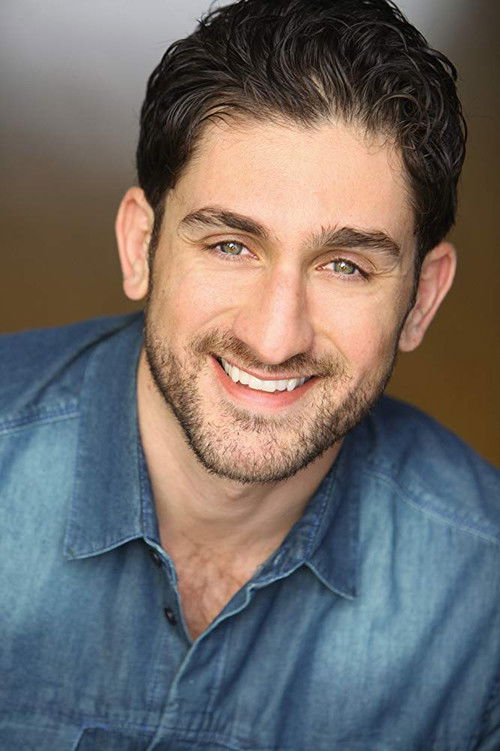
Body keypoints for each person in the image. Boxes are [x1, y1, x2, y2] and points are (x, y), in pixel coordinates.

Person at [1, 0, 499, 747]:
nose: (274, 337)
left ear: (421, 299)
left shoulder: (483, 602)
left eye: (345, 265)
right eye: (230, 246)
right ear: (141, 247)